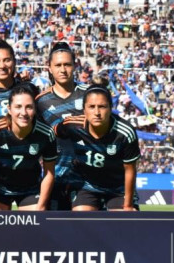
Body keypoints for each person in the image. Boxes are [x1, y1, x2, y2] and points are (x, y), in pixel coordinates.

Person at [54, 82, 140, 211]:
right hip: (86, 185)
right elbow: (51, 134)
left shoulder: (125, 133)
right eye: (91, 107)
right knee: (82, 219)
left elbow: (130, 169)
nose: (97, 112)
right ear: (84, 109)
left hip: (117, 188)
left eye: (102, 106)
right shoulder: (71, 125)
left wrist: (127, 205)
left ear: (111, 108)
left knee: (123, 222)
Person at [0, 83, 57, 210]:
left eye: (29, 107)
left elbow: (49, 173)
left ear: (35, 109)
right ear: (9, 109)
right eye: (18, 107)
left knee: (35, 222)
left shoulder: (46, 133)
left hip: (30, 189)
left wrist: (41, 205)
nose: (23, 112)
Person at [36, 42, 90, 210]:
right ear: (49, 68)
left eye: (67, 64)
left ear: (75, 66)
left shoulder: (90, 94)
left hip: (86, 180)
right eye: (58, 65)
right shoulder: (40, 101)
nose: (63, 69)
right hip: (55, 178)